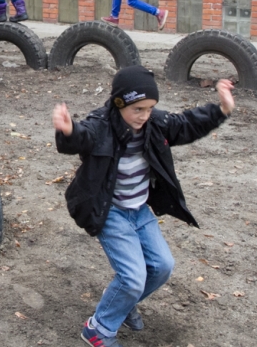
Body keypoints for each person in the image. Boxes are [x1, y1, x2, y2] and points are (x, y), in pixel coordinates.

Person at [52, 66, 235, 347]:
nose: (144, 115)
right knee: (133, 276)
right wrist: (68, 131)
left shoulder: (155, 124)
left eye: (149, 108)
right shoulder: (101, 125)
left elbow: (186, 124)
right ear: (119, 103)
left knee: (162, 266)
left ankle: (120, 306)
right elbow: (83, 135)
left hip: (139, 210)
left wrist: (221, 109)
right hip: (109, 211)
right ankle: (98, 330)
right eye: (137, 109)